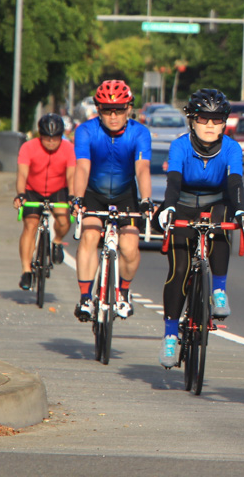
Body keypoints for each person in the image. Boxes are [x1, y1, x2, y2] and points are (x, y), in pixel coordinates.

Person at [155, 89, 244, 368]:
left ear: (225, 122)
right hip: (183, 204)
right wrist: (169, 208)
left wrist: (242, 213)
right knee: (179, 271)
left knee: (223, 221)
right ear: (192, 120)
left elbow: (235, 183)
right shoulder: (180, 145)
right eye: (203, 118)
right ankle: (170, 337)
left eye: (217, 119)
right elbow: (173, 181)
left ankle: (219, 291)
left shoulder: (232, 148)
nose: (210, 125)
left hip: (216, 205)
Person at [70, 80, 153, 322]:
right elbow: (83, 167)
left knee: (129, 248)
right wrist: (78, 198)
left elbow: (143, 169)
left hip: (125, 194)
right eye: (107, 110)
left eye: (119, 109)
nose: (113, 115)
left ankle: (124, 293)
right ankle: (86, 298)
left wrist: (146, 199)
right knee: (90, 236)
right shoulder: (86, 131)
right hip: (94, 194)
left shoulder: (140, 133)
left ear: (129, 108)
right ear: (98, 109)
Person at [13, 113, 75, 291]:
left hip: (58, 189)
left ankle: (56, 242)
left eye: (55, 138)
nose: (51, 142)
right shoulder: (28, 147)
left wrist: (72, 196)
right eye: (47, 138)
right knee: (30, 225)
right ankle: (26, 271)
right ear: (40, 135)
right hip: (33, 189)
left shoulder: (68, 148)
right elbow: (22, 174)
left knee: (64, 220)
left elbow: (71, 174)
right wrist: (21, 194)